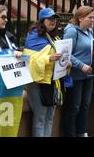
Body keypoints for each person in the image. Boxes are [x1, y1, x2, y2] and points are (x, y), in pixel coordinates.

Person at [24, 8, 62, 137]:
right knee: (40, 117)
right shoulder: (33, 36)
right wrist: (49, 58)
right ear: (42, 21)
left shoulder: (54, 37)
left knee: (50, 117)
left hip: (51, 81)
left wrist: (65, 62)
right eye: (50, 19)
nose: (53, 21)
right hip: (37, 82)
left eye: (55, 19)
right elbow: (29, 60)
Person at [62, 6, 94, 137]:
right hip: (76, 75)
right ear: (80, 18)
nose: (93, 20)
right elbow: (66, 53)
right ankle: (70, 134)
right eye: (90, 18)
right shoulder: (71, 31)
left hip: (89, 74)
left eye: (93, 17)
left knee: (85, 105)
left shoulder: (90, 31)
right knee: (74, 106)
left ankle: (82, 132)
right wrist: (81, 65)